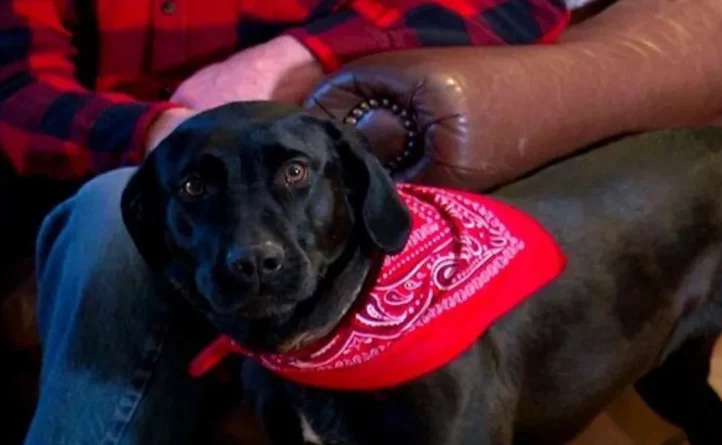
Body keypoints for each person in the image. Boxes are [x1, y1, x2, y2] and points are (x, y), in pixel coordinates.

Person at [0, 0, 570, 443]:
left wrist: (293, 54)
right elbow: (16, 89)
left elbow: (520, 6)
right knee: (109, 212)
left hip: (301, 182)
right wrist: (163, 133)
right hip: (130, 178)